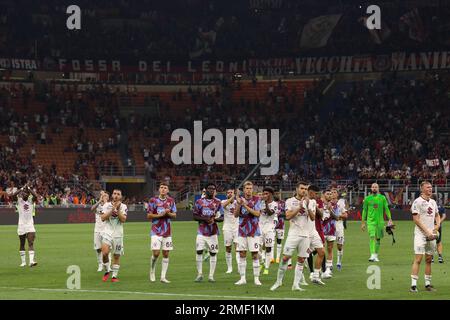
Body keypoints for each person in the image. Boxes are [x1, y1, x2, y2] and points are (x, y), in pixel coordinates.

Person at [271, 182, 315, 292]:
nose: (304, 190)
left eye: (305, 188)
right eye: (302, 188)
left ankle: (295, 285)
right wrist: (299, 207)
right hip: (293, 234)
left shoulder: (309, 202)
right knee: (285, 258)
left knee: (301, 259)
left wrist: (308, 206)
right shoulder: (290, 201)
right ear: (297, 189)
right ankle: (278, 281)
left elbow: (313, 218)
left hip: (305, 235)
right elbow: (288, 216)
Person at [410, 181, 440, 292]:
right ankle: (413, 285)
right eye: (428, 187)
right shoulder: (417, 202)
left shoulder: (433, 202)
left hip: (431, 235)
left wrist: (437, 226)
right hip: (420, 235)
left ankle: (427, 284)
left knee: (429, 259)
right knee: (418, 259)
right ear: (422, 189)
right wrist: (427, 232)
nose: (430, 189)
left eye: (431, 187)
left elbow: (437, 215)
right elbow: (416, 220)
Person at [193, 183, 223, 282]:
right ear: (205, 190)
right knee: (199, 251)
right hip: (201, 231)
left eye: (213, 189)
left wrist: (214, 220)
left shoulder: (218, 202)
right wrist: (205, 219)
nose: (212, 190)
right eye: (210, 188)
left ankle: (211, 276)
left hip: (213, 232)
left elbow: (222, 217)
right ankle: (199, 274)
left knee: (213, 253)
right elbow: (195, 216)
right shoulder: (199, 202)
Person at [147, 183, 177, 283]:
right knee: (156, 253)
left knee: (166, 253)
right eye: (161, 187)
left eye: (165, 188)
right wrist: (161, 215)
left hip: (167, 231)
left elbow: (174, 215)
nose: (163, 189)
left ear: (168, 190)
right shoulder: (153, 200)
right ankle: (152, 271)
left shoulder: (171, 201)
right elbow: (149, 216)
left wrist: (168, 213)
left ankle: (163, 277)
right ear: (158, 190)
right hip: (155, 230)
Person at [234, 181, 263, 286]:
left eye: (250, 188)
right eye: (247, 188)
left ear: (253, 189)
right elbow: (236, 215)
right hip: (242, 231)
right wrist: (238, 204)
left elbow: (257, 214)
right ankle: (242, 278)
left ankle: (256, 279)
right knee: (242, 254)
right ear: (244, 189)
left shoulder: (257, 200)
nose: (249, 190)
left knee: (255, 254)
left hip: (254, 231)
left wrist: (245, 206)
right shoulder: (239, 200)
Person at [100, 189, 128, 282]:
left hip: (118, 234)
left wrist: (118, 209)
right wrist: (112, 209)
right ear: (112, 195)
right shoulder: (106, 205)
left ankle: (114, 276)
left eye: (118, 194)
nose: (116, 195)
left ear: (121, 196)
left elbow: (123, 219)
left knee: (116, 256)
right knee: (104, 253)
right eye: (115, 193)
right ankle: (107, 270)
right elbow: (103, 218)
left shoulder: (124, 206)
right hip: (107, 232)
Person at [361, 183, 393, 262]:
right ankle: (372, 255)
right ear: (371, 188)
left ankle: (375, 255)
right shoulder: (367, 199)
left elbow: (386, 208)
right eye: (373, 187)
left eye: (376, 187)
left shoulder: (382, 198)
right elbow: (364, 211)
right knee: (372, 236)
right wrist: (363, 222)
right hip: (370, 221)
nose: (374, 188)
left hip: (380, 222)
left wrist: (390, 219)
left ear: (378, 188)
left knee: (378, 239)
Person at [10, 184, 39, 267]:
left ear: (29, 195)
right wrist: (21, 188)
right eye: (23, 193)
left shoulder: (31, 201)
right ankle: (23, 262)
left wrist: (29, 188)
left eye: (26, 193)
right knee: (22, 244)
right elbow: (13, 195)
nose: (24, 194)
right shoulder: (19, 201)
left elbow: (35, 195)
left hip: (30, 225)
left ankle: (31, 261)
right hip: (21, 225)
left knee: (31, 243)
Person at [259, 186, 279, 275]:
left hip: (269, 228)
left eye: (266, 194)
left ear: (271, 194)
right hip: (259, 227)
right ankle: (262, 262)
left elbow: (270, 212)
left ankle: (266, 268)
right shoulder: (260, 203)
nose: (264, 195)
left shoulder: (275, 204)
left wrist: (266, 203)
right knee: (257, 247)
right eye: (264, 193)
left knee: (268, 248)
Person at [321, 189, 340, 279]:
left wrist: (330, 210)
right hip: (322, 230)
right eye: (327, 194)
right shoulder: (319, 204)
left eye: (330, 194)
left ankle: (328, 269)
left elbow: (337, 218)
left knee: (330, 249)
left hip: (332, 230)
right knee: (321, 250)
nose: (330, 195)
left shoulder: (334, 206)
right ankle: (321, 267)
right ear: (324, 195)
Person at [221, 188, 239, 274]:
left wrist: (236, 198)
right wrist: (233, 197)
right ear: (226, 194)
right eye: (228, 192)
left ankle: (239, 266)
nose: (229, 193)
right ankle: (229, 268)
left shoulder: (238, 202)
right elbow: (223, 205)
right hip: (227, 227)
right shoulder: (223, 201)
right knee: (228, 247)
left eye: (231, 192)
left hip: (237, 227)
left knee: (237, 248)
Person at [91, 191, 109, 272]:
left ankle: (108, 264)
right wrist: (99, 201)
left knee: (106, 248)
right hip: (97, 229)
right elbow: (92, 209)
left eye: (105, 196)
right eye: (102, 195)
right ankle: (100, 264)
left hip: (106, 229)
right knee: (98, 249)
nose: (103, 197)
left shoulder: (108, 206)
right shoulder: (97, 205)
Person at [335, 191, 349, 270]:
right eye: (331, 192)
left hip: (339, 225)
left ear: (337, 194)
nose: (333, 194)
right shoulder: (326, 203)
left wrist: (337, 215)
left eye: (334, 192)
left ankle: (339, 262)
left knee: (339, 246)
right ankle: (328, 265)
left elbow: (346, 215)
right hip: (329, 226)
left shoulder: (341, 202)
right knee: (327, 246)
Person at [432, 195, 446, 263]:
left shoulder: (429, 205)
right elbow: (444, 216)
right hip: (438, 226)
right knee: (439, 241)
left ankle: (431, 257)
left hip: (430, 226)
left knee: (431, 241)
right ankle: (440, 257)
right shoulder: (440, 206)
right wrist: (439, 222)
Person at [274, 196, 285, 264]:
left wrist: (279, 213)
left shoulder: (283, 203)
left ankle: (277, 257)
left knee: (279, 241)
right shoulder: (270, 203)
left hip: (281, 224)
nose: (277, 194)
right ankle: (271, 258)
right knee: (271, 241)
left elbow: (285, 213)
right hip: (272, 224)